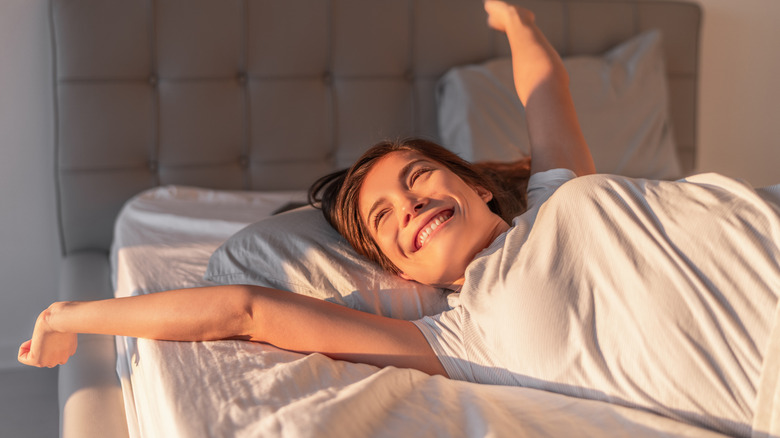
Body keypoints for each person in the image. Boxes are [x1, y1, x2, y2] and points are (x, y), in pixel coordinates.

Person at [18, 1, 780, 437]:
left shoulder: (557, 192)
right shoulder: (457, 336)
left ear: (478, 188)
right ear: (401, 271)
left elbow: (543, 80)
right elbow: (246, 309)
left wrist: (514, 19)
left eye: (420, 179)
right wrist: (70, 315)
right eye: (386, 219)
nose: (411, 205)